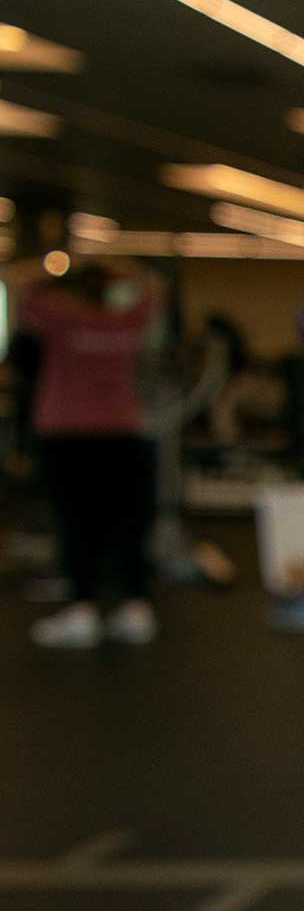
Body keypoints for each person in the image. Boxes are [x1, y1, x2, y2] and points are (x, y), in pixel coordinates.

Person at [14, 257, 163, 648]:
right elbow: (153, 289)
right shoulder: (125, 322)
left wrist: (60, 265)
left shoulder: (61, 321)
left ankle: (83, 607)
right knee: (127, 521)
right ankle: (135, 606)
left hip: (67, 436)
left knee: (76, 522)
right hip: (120, 436)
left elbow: (22, 286)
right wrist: (119, 267)